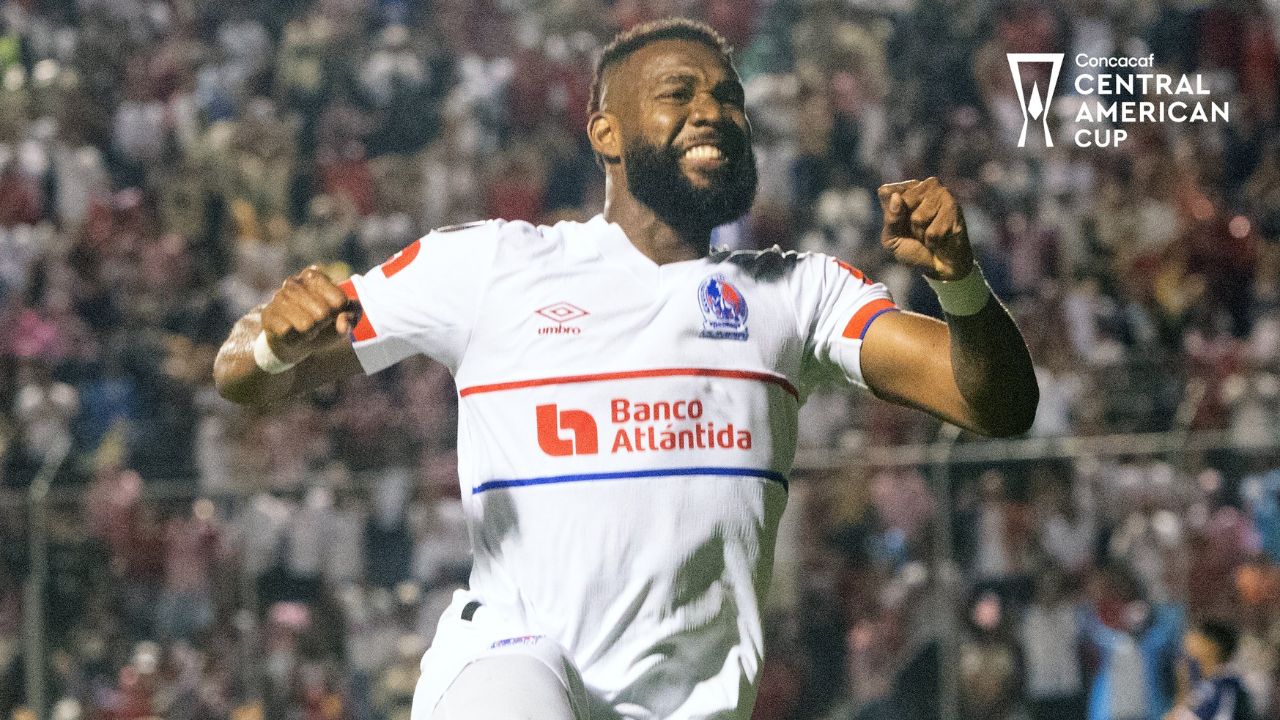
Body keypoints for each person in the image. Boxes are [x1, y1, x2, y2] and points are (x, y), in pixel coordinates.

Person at [213, 17, 1038, 720]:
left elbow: (995, 405)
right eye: (679, 94)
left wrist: (959, 284)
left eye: (729, 98)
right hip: (512, 662)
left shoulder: (797, 292)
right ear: (604, 130)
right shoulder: (493, 265)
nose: (712, 112)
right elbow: (246, 376)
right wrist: (278, 339)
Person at [1165, 620, 1254, 720]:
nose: (1187, 640)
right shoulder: (1205, 683)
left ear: (1210, 647)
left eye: (1196, 636)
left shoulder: (1226, 687)